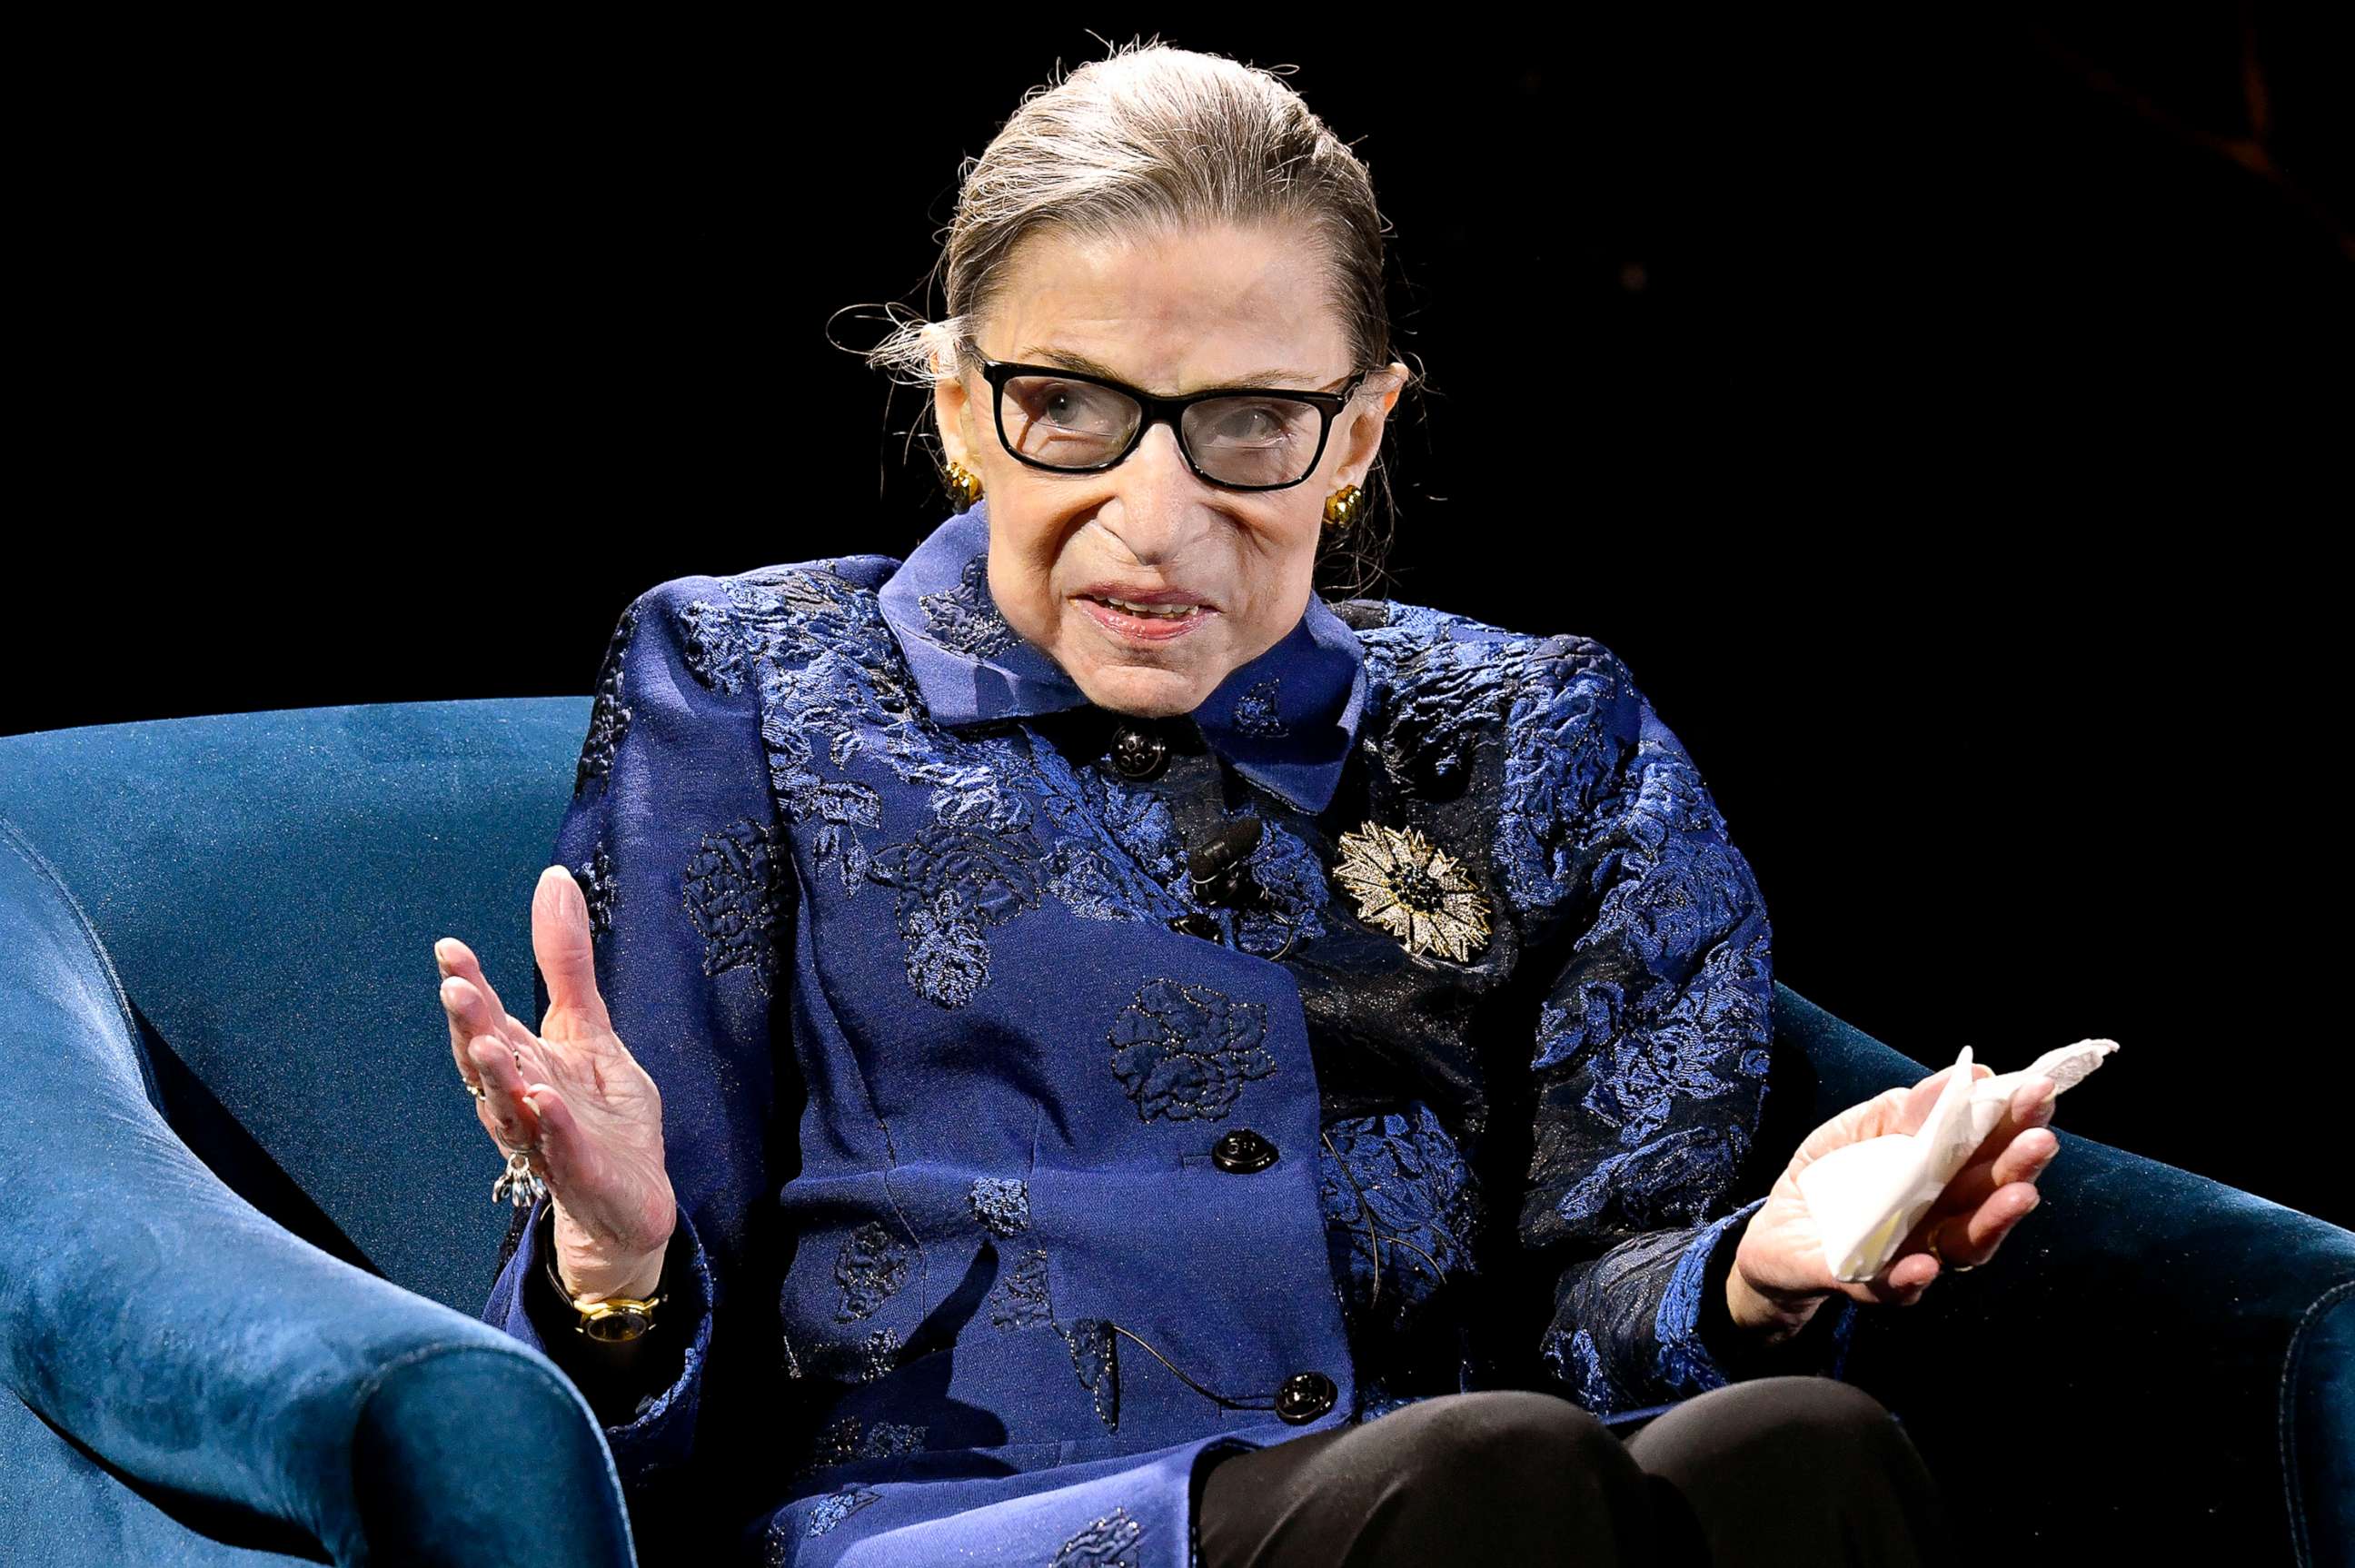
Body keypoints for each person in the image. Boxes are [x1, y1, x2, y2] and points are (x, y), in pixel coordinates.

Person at [440, 41, 2062, 1568]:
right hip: (969, 1520)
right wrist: (613, 1258)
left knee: (1800, 1445)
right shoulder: (755, 682)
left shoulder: (1540, 729)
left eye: (1250, 425)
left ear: (1355, 435)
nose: (1155, 518)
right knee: (1483, 1471)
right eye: (1067, 406)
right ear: (957, 410)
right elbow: (608, 1428)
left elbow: (1602, 1315)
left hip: (1469, 1496)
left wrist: (1756, 1268)